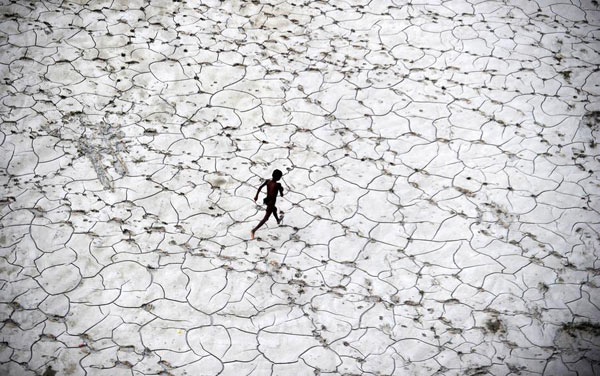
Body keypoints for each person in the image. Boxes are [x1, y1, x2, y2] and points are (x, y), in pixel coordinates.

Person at [251, 169, 284, 239]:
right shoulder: (277, 185)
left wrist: (256, 196)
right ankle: (254, 230)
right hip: (271, 202)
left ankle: (278, 220)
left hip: (267, 200)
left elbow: (260, 187)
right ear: (279, 178)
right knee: (266, 218)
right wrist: (281, 189)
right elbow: (281, 195)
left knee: (274, 209)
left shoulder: (268, 181)